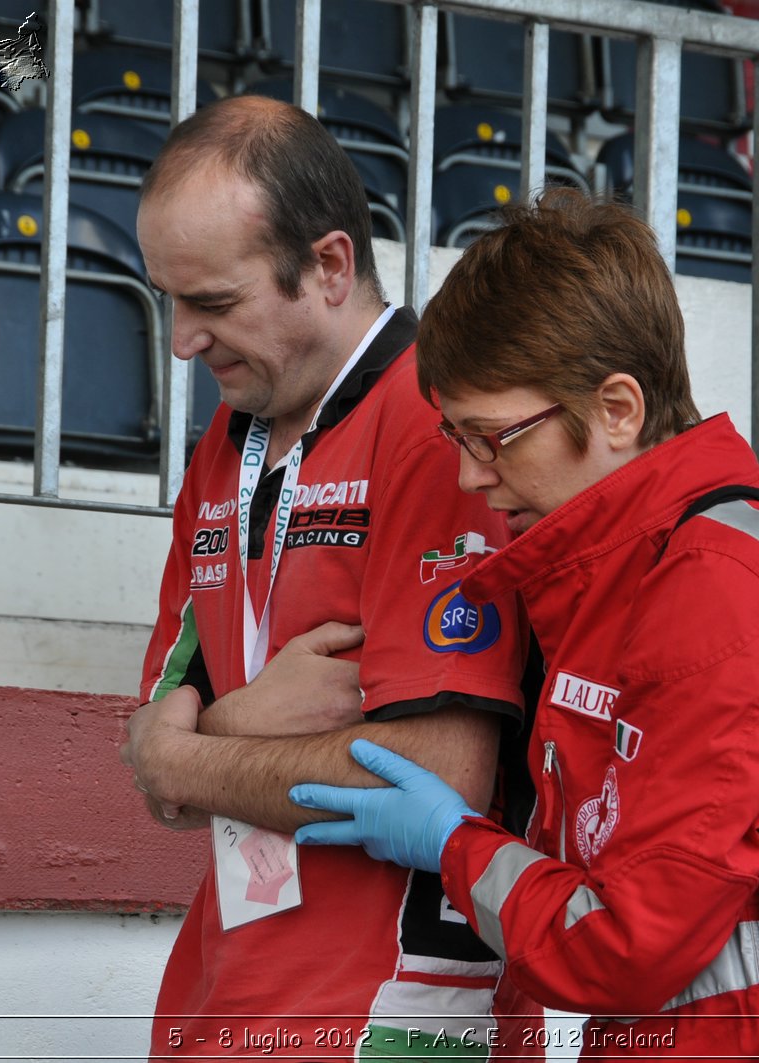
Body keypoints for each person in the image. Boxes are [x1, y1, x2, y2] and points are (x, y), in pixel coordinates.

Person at [290, 189, 759, 1058]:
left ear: (618, 409)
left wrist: (453, 843)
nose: (469, 477)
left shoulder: (713, 592)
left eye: (490, 438)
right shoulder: (626, 573)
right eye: (455, 437)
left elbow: (621, 945)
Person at [117, 95, 538, 1061]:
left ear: (331, 266)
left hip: (394, 1006)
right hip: (225, 984)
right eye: (167, 300)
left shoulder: (443, 422)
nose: (182, 340)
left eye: (214, 304)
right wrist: (244, 720)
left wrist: (190, 750)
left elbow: (437, 770)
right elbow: (149, 757)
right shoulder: (226, 442)